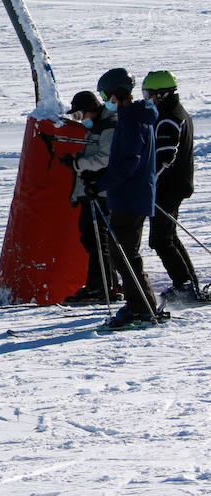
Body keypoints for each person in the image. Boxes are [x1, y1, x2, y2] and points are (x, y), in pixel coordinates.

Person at [95, 68, 161, 327]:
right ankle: (140, 304)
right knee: (122, 251)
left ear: (117, 93)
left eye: (105, 95)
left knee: (123, 252)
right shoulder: (131, 116)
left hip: (131, 196)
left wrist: (100, 182)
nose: (103, 101)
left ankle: (142, 307)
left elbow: (128, 164)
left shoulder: (134, 120)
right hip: (129, 194)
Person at [142, 70, 200, 302]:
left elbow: (166, 158)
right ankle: (188, 283)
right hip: (175, 184)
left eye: (150, 95)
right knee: (168, 236)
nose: (147, 99)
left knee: (160, 239)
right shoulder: (177, 112)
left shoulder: (168, 118)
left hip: (168, 187)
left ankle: (184, 286)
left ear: (162, 95)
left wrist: (150, 185)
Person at [59, 90, 120, 305]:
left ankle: (101, 286)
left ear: (90, 109)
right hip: (91, 189)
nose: (79, 119)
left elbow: (104, 158)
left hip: (101, 191)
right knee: (91, 237)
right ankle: (107, 283)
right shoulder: (98, 124)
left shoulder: (109, 125)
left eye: (79, 114)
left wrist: (77, 165)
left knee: (97, 238)